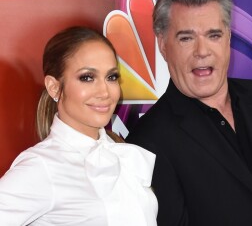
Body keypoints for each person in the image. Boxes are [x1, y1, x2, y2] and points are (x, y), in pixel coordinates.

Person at [126, 0, 252, 226]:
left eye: (214, 35)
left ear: (228, 38)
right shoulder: (148, 143)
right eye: (186, 38)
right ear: (163, 45)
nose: (202, 51)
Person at [0, 26, 158, 225]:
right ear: (54, 87)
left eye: (111, 77)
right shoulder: (42, 167)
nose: (104, 92)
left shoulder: (120, 152)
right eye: (87, 78)